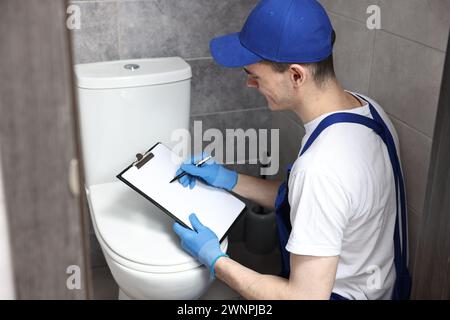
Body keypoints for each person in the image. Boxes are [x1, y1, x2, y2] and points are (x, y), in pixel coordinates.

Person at [172, 0, 411, 300]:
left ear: (297, 76)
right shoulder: (368, 110)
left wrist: (215, 260)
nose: (249, 83)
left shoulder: (320, 168)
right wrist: (228, 179)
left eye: (255, 75)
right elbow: (318, 204)